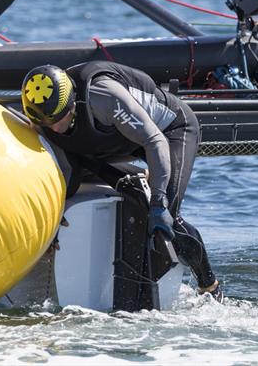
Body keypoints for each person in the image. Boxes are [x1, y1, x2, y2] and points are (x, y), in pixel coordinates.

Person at [21, 61, 222, 301]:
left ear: (72, 101)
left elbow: (154, 142)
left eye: (59, 118)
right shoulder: (43, 116)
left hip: (167, 132)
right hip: (116, 140)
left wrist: (159, 199)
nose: (55, 127)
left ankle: (209, 286)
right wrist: (51, 217)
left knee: (165, 220)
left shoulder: (103, 96)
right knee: (82, 178)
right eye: (48, 123)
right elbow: (64, 171)